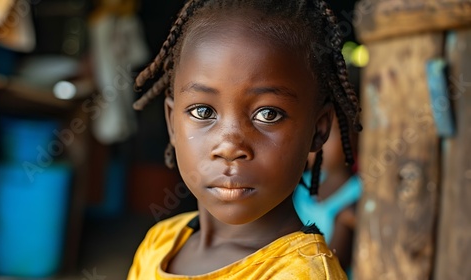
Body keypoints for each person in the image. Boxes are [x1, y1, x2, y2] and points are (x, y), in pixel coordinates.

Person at [127, 0, 362, 279]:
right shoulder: (160, 242)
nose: (229, 147)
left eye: (268, 114)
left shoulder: (302, 274)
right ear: (172, 123)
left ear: (318, 129)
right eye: (203, 111)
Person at [294, 112, 362, 277]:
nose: (317, 143)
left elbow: (334, 267)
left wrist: (344, 222)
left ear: (352, 137)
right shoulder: (301, 184)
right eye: (312, 133)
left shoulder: (359, 192)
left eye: (327, 135)